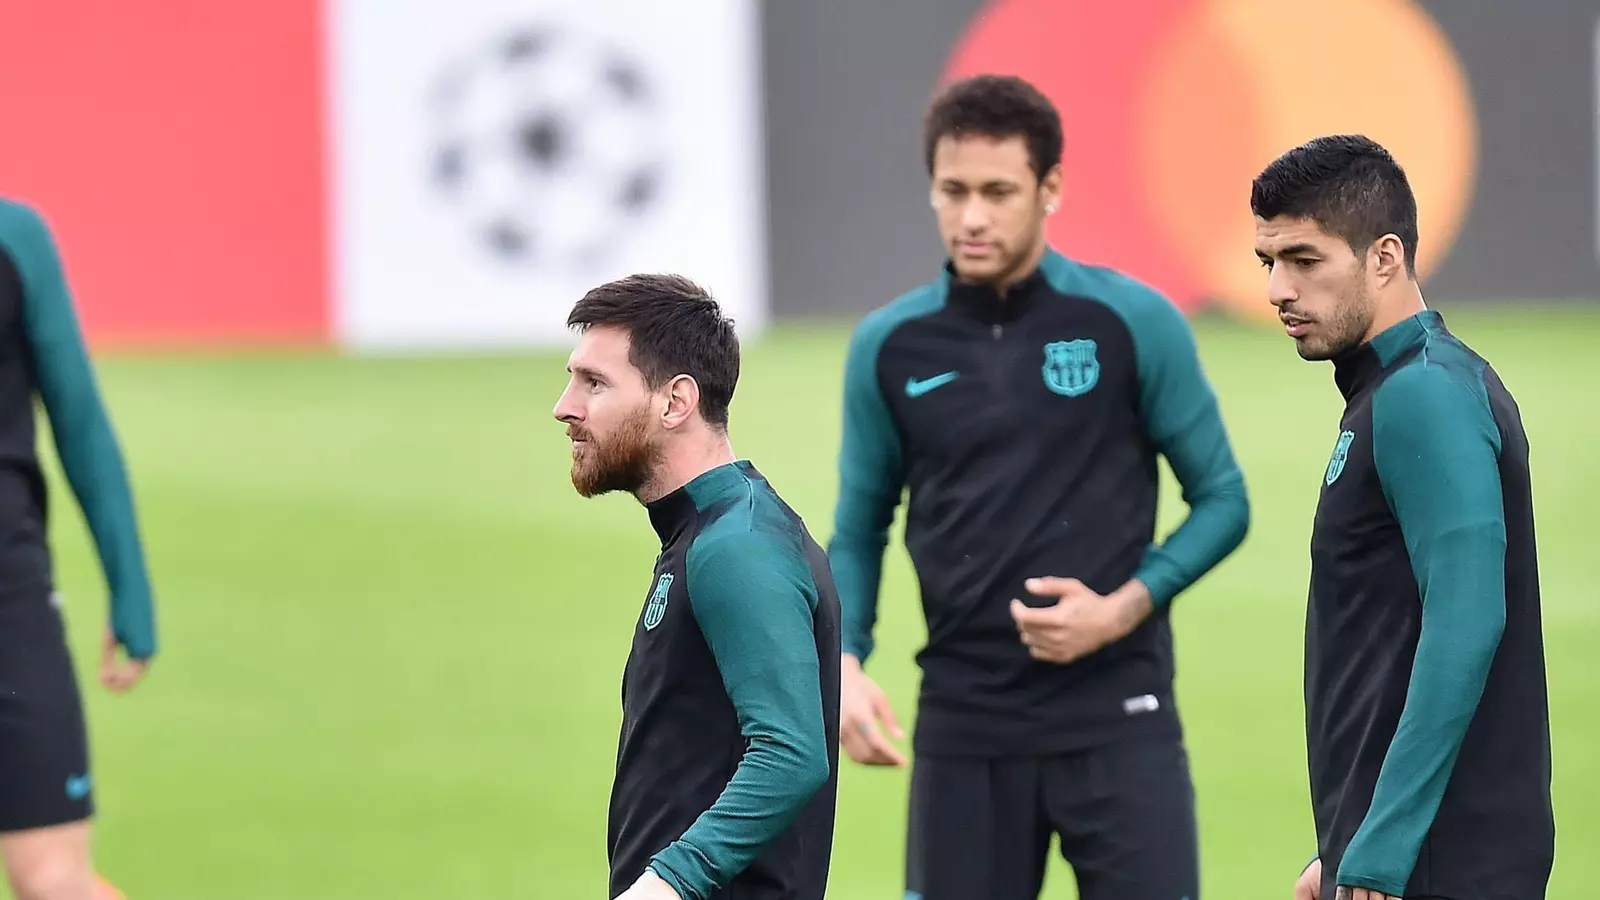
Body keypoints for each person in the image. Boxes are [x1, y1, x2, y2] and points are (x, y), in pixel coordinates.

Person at [828, 74, 1250, 900]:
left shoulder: (1133, 322)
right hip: (964, 725)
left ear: (1050, 189)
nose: (971, 217)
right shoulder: (888, 346)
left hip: (1120, 715)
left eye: (998, 192)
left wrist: (1123, 607)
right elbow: (860, 527)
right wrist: (843, 660)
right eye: (952, 191)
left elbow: (1224, 500)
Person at [1252, 135, 1555, 900]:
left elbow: (1466, 619)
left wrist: (1384, 840)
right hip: (1415, 852)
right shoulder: (1400, 389)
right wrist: (1346, 838)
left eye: (1304, 260)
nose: (1278, 289)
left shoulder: (1423, 396)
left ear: (1384, 257)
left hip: (1440, 863)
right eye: (1269, 262)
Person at [553, 274, 841, 900]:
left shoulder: (737, 547)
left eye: (594, 383)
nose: (565, 407)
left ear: (676, 401)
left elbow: (791, 755)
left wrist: (667, 884)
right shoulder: (709, 531)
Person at [0, 199, 157, 900]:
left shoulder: (14, 237)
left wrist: (129, 584)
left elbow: (79, 415)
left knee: (53, 880)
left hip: (9, 600)